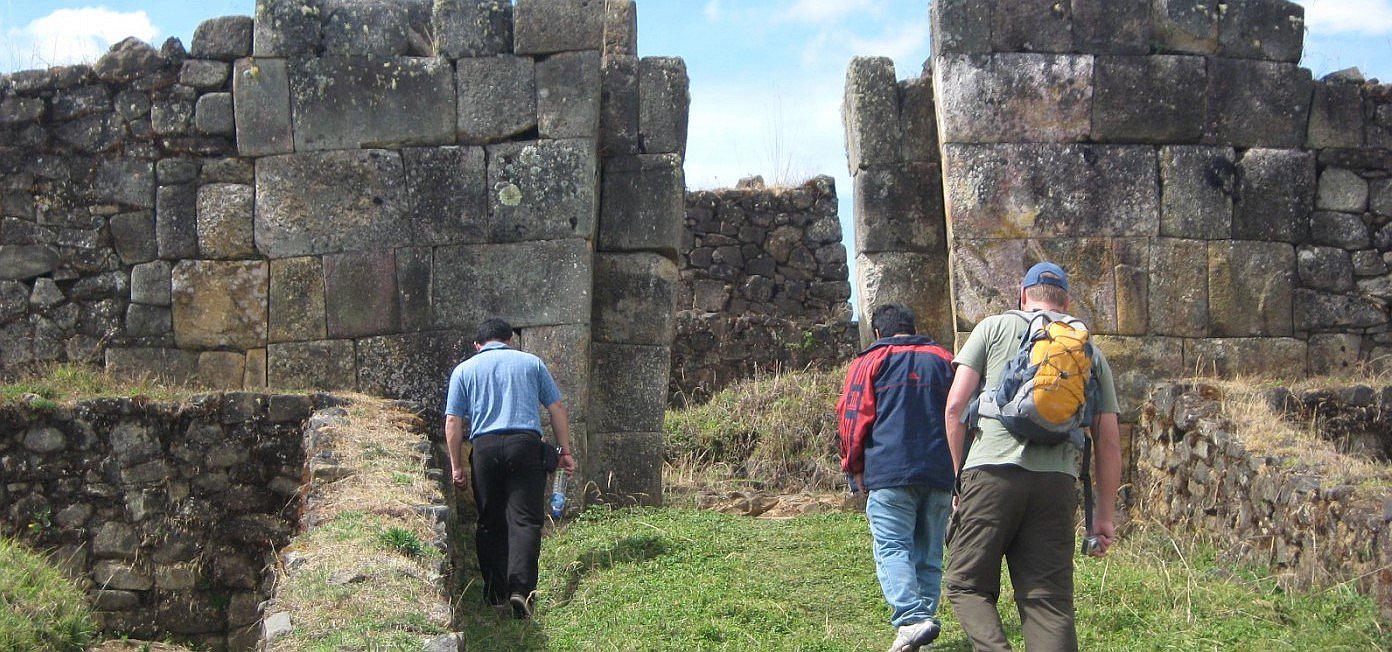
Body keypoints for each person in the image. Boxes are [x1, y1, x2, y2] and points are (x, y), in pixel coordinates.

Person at [943, 263, 1123, 651]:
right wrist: (1104, 517)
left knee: (966, 583)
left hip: (990, 473)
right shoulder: (1086, 348)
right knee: (1049, 602)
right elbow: (1107, 440)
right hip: (1056, 482)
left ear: (1022, 294)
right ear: (1067, 301)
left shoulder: (992, 328)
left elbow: (955, 407)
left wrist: (959, 477)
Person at [836, 303, 957, 652]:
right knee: (930, 553)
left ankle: (910, 619)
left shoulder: (870, 361)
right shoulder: (944, 358)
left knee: (892, 546)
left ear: (877, 332)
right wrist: (959, 472)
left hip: (889, 472)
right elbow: (963, 413)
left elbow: (853, 417)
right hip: (939, 472)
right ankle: (923, 624)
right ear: (913, 326)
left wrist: (853, 465)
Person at [444, 317, 577, 620]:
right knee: (525, 521)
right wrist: (564, 450)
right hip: (525, 444)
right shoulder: (531, 363)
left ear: (478, 346)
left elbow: (453, 421)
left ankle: (495, 593)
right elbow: (556, 408)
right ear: (510, 340)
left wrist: (457, 466)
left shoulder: (464, 369)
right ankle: (522, 591)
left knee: (490, 520)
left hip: (485, 449)